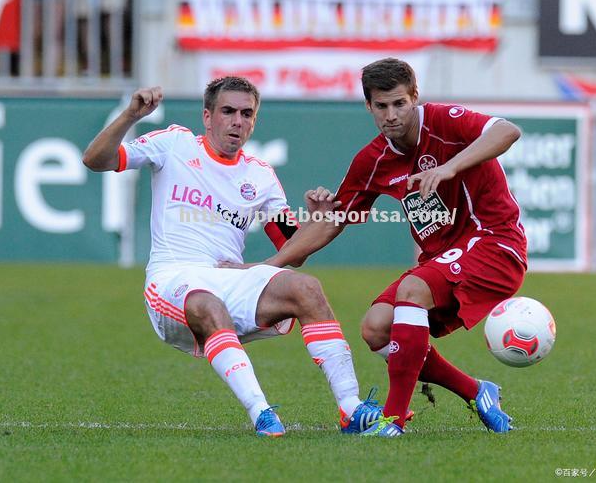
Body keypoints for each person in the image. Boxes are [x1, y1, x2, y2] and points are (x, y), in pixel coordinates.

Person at [228, 58, 527, 437]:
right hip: (445, 257)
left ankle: (393, 420)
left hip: (495, 241)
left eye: (400, 103)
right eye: (381, 106)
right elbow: (330, 225)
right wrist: (267, 266)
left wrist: (448, 168)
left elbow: (508, 131)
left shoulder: (445, 122)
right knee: (376, 329)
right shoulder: (373, 161)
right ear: (368, 106)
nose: (391, 115)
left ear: (415, 97)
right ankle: (477, 391)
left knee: (412, 291)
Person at [81, 77, 382, 437]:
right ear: (207, 117)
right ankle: (262, 413)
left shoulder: (260, 175)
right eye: (227, 111)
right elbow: (95, 160)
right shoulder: (174, 144)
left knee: (307, 289)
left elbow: (293, 248)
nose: (237, 121)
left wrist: (316, 219)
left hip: (230, 279)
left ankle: (352, 409)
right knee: (208, 305)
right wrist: (131, 115)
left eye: (246, 113)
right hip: (172, 279)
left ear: (254, 121)